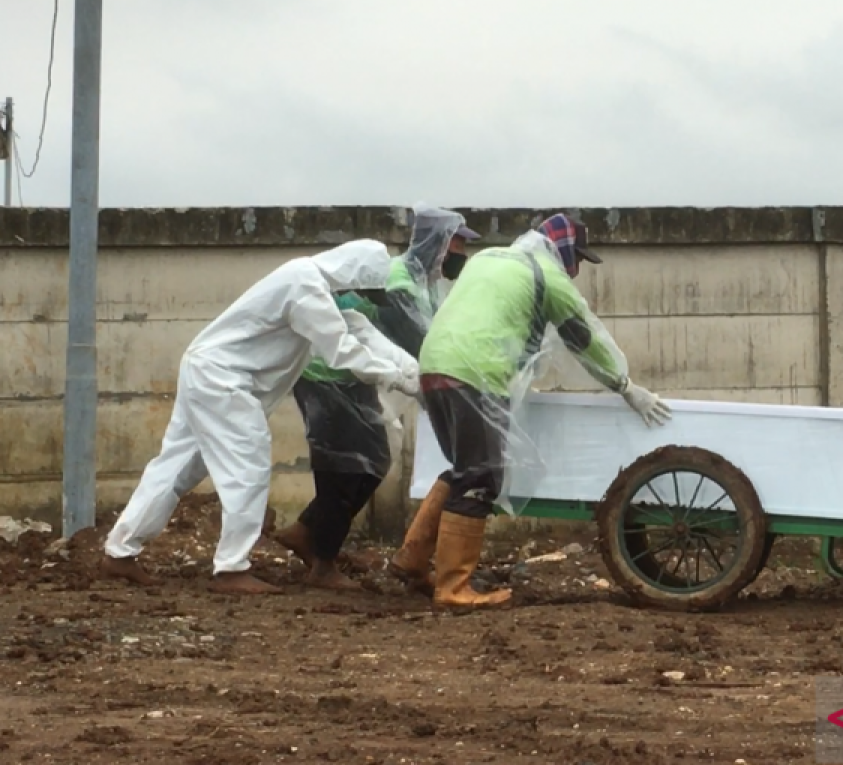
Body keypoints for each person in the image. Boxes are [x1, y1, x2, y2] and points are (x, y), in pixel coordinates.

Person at [101, 240, 422, 595]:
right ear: (353, 275)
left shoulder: (316, 290)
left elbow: (361, 332)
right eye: (361, 289)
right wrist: (396, 379)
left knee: (177, 466)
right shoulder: (305, 286)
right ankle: (231, 568)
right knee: (247, 466)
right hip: (222, 378)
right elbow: (341, 351)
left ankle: (120, 552)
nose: (358, 297)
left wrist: (415, 374)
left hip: (208, 370)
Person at [402, 213, 672, 609]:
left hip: (434, 366)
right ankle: (453, 587)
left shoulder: (490, 258)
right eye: (576, 257)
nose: (576, 267)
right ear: (562, 251)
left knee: (463, 467)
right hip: (475, 373)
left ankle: (411, 559)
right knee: (481, 477)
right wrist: (625, 386)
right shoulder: (548, 276)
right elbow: (584, 339)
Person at [274, 206, 479, 590]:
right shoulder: (396, 279)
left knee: (370, 460)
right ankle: (323, 562)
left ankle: (309, 534)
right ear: (437, 241)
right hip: (327, 376)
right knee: (344, 467)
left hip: (358, 375)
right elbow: (419, 339)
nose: (461, 253)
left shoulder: (424, 280)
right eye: (458, 242)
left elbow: (379, 333)